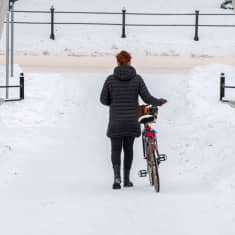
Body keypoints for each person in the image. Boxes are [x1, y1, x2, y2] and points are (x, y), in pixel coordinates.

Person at [100, 51, 167, 190]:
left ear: (118, 62)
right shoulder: (137, 79)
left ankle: (116, 178)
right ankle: (127, 179)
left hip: (116, 121)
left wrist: (114, 102)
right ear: (130, 61)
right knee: (128, 149)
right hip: (131, 120)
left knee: (116, 149)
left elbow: (103, 100)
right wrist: (159, 102)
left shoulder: (110, 80)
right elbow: (147, 98)